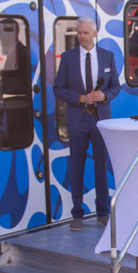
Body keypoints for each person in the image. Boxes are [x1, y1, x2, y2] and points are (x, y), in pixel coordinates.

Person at [53, 18, 121, 231]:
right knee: (77, 166)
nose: (81, 36)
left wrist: (104, 95)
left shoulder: (107, 57)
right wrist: (80, 98)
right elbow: (58, 88)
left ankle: (103, 213)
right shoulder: (68, 58)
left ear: (95, 34)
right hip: (78, 119)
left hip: (100, 120)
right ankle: (77, 215)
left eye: (85, 32)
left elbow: (116, 86)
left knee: (101, 165)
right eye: (79, 33)